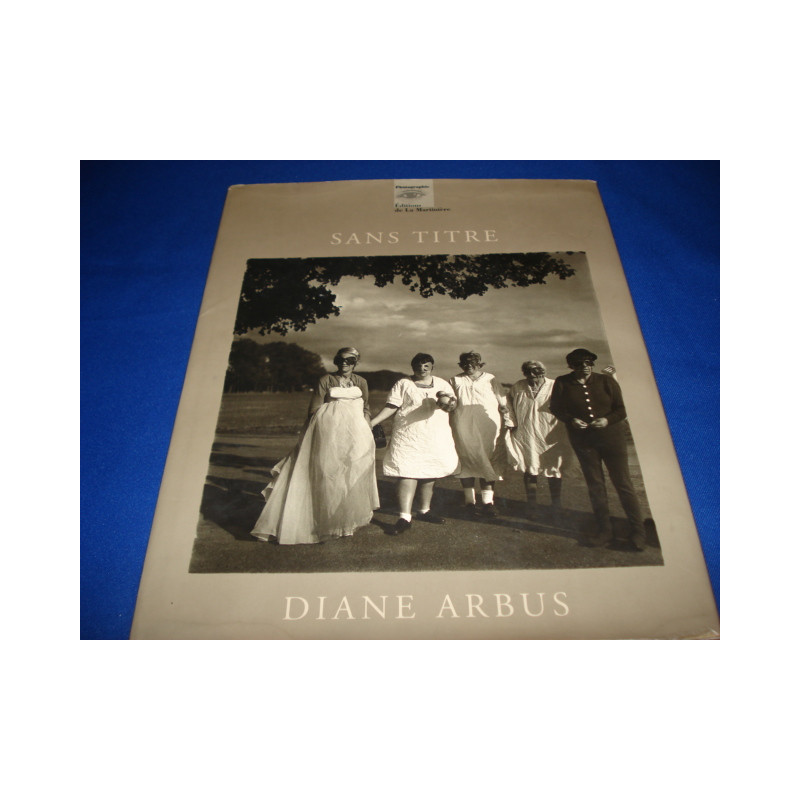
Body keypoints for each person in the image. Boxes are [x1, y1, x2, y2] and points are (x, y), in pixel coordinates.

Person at [250, 346, 379, 544]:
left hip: (356, 435)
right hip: (329, 433)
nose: (345, 363)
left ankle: (344, 523)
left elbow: (366, 407)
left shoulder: (361, 382)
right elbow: (314, 408)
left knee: (350, 474)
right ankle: (321, 523)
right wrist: (315, 434)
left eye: (350, 360)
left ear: (356, 362)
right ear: (336, 361)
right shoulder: (326, 380)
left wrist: (367, 427)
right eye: (341, 360)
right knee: (328, 474)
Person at [549, 348, 646, 550]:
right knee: (595, 485)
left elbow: (622, 408)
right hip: (584, 442)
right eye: (579, 364)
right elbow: (556, 408)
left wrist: (607, 420)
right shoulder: (562, 382)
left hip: (613, 440)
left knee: (623, 484)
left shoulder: (606, 381)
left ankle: (638, 533)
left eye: (588, 363)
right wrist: (571, 420)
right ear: (571, 366)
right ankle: (604, 531)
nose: (585, 367)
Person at [369, 353, 459, 535]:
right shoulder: (403, 383)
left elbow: (452, 406)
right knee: (406, 472)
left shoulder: (442, 384)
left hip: (434, 435)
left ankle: (424, 511)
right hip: (408, 434)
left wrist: (446, 402)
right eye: (418, 365)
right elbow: (392, 406)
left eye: (426, 365)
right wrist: (373, 422)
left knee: (430, 472)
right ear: (412, 367)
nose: (422, 368)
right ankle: (405, 517)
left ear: (432, 367)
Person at [448, 351, 513, 518]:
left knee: (487, 459)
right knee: (466, 459)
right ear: (461, 365)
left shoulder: (490, 378)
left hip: (487, 425)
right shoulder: (455, 380)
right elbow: (449, 402)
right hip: (462, 424)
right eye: (465, 364)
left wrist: (508, 420)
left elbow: (503, 402)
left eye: (473, 364)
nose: (469, 367)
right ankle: (469, 502)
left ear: (479, 364)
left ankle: (487, 502)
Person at [505, 360, 567, 520]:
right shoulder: (518, 387)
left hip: (551, 434)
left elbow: (567, 406)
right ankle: (532, 506)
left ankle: (556, 505)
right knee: (530, 467)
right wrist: (510, 423)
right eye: (528, 372)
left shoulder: (555, 385)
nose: (532, 375)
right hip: (526, 433)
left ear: (543, 372)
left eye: (536, 372)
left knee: (553, 468)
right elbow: (508, 406)